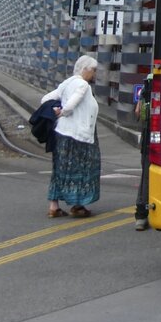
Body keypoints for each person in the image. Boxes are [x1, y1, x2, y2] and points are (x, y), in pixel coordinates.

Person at [42, 55, 101, 218]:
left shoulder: (66, 83)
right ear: (85, 69)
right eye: (93, 70)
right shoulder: (82, 84)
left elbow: (45, 99)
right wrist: (64, 110)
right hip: (79, 135)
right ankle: (78, 205)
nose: (94, 74)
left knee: (60, 168)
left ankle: (54, 206)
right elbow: (74, 102)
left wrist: (56, 109)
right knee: (82, 168)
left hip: (62, 133)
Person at [132, 70, 153, 231]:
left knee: (146, 174)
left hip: (148, 137)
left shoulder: (150, 82)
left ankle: (141, 214)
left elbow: (138, 112)